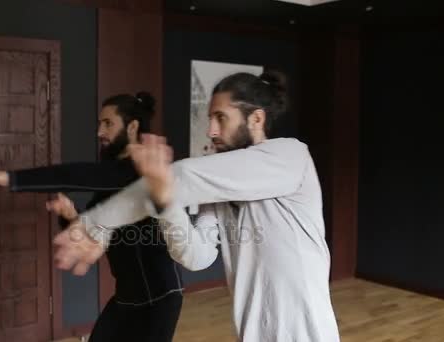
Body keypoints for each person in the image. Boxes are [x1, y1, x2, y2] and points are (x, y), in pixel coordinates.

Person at [53, 72, 341, 341]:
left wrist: (92, 223)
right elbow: (195, 256)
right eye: (210, 119)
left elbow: (182, 176)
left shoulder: (290, 155)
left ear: (256, 119)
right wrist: (165, 204)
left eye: (220, 118)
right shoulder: (219, 192)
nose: (211, 131)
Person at [0, 92, 184, 342]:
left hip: (160, 295)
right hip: (126, 294)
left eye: (108, 123)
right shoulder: (112, 178)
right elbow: (91, 229)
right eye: (99, 123)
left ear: (132, 126)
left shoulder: (138, 173)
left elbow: (77, 175)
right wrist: (70, 215)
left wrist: (11, 178)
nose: (99, 131)